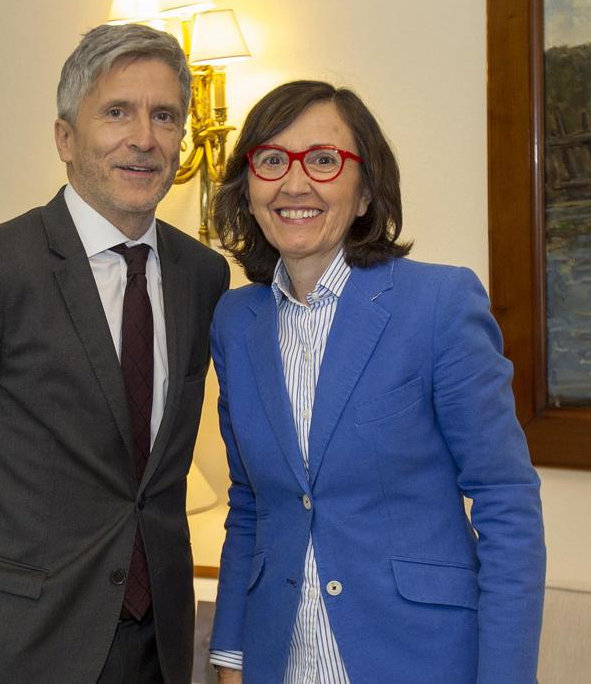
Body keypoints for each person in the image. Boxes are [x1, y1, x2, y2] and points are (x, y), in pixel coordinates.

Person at [0, 23, 230, 684]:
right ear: (66, 138)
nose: (143, 138)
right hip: (18, 647)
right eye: (116, 112)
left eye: (164, 117)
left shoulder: (202, 276)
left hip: (158, 647)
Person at [206, 81, 546, 683]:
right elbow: (250, 503)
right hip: (278, 658)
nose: (294, 182)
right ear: (248, 186)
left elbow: (507, 503)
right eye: (270, 159)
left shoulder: (438, 303)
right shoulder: (236, 321)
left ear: (365, 192)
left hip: (416, 656)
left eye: (324, 159)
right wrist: (229, 654)